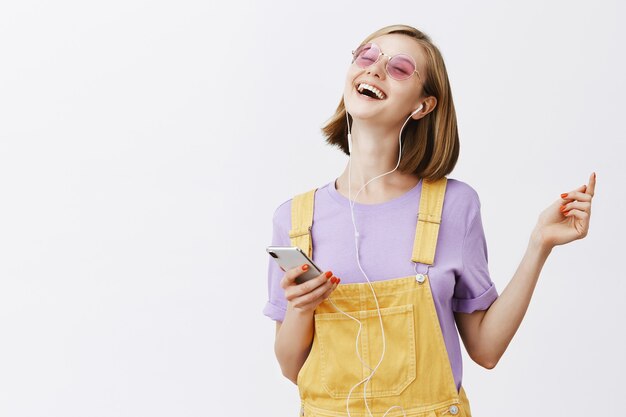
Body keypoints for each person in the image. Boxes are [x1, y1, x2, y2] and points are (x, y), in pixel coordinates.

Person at [263, 24, 596, 417]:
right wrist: (302, 309)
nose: (374, 69)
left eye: (400, 68)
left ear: (423, 106)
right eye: (367, 56)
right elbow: (291, 368)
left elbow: (486, 351)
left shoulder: (454, 206)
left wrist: (539, 243)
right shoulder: (295, 218)